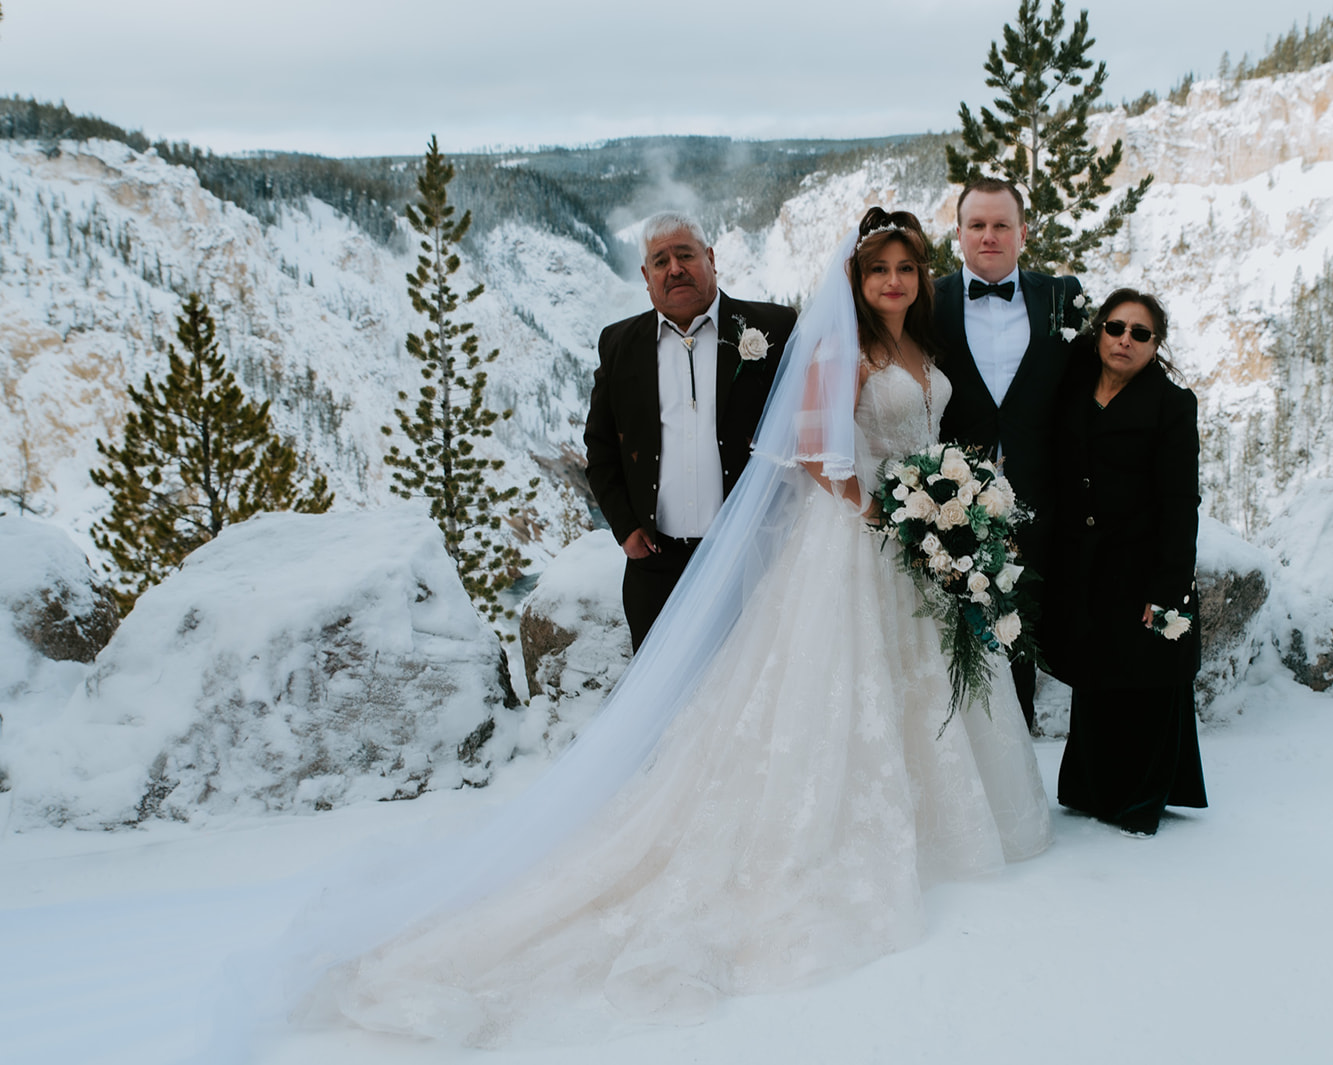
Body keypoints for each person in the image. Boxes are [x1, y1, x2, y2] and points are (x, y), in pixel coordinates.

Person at [319, 209, 1052, 1043]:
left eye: (906, 269)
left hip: (913, 546)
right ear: (857, 279)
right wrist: (889, 515)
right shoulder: (833, 346)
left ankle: (940, 821)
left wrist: (946, 515)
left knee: (914, 682)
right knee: (818, 693)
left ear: (923, 278)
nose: (893, 281)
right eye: (878, 269)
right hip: (855, 542)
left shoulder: (907, 348)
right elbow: (815, 451)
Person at [584, 212, 797, 651]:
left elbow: (803, 432)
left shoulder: (775, 328)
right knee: (665, 709)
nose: (674, 268)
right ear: (646, 276)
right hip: (656, 568)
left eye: (685, 254)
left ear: (711, 258)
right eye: (660, 261)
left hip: (750, 560)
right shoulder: (619, 343)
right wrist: (625, 528)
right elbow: (601, 448)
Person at [1041, 288, 1208, 838]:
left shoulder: (1171, 404)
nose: (1124, 340)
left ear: (1155, 344)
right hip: (1083, 563)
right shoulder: (1073, 383)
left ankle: (1141, 801)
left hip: (1141, 563)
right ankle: (1090, 790)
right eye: (1116, 327)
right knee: (1096, 675)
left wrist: (1167, 588)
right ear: (1099, 330)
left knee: (1146, 680)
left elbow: (1182, 503)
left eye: (1140, 333)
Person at [934, 178, 1090, 733]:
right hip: (947, 508)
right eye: (977, 225)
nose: (989, 236)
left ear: (1023, 233)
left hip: (1042, 506)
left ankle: (1016, 780)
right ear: (958, 234)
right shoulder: (931, 300)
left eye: (1002, 225)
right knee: (952, 655)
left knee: (1021, 646)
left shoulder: (1062, 296)